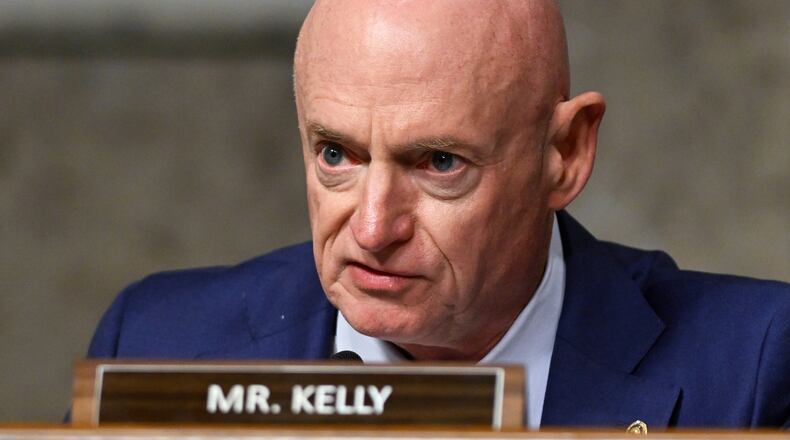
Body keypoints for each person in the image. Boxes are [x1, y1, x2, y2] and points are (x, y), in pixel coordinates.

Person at [87, 0, 790, 430]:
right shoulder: (154, 337)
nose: (371, 229)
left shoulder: (752, 368)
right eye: (337, 154)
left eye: (438, 164)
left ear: (565, 154)